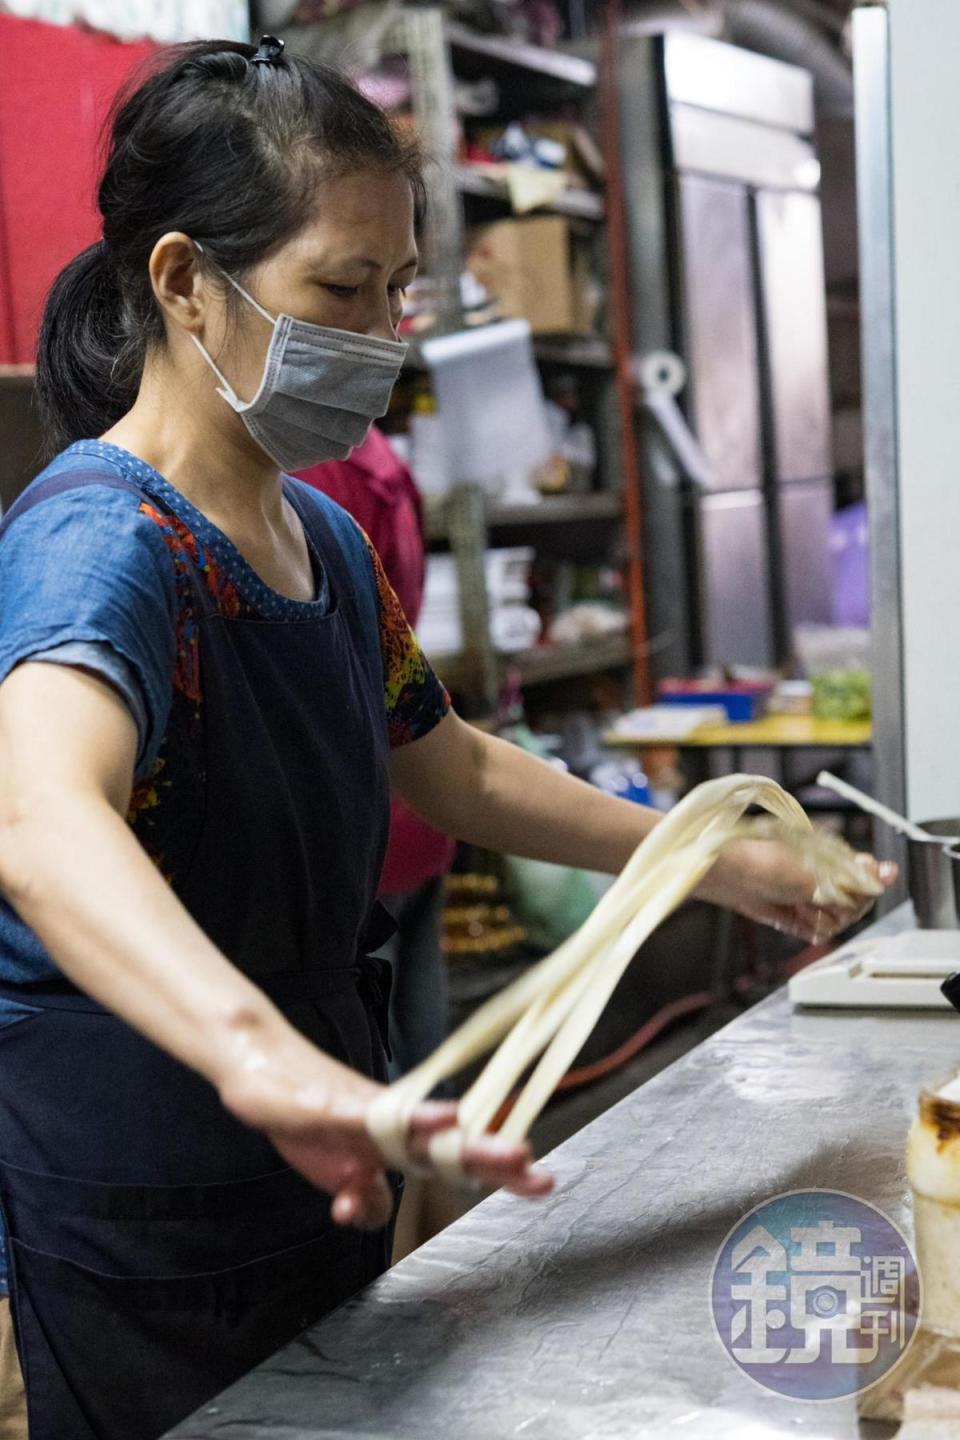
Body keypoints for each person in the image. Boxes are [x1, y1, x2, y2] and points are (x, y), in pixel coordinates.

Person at [0, 36, 893, 1440]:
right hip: (150, 1182)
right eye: (340, 291)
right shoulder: (101, 542)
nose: (382, 335)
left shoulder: (330, 544)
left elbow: (453, 763)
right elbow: (39, 820)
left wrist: (706, 858)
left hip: (320, 1141)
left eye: (398, 289)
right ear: (183, 283)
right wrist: (255, 1054)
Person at [297, 428, 456, 1081]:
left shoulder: (314, 480)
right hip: (410, 798)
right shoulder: (385, 464)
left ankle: (429, 1178)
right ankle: (452, 1176)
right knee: (424, 1029)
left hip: (370, 807)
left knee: (374, 1048)